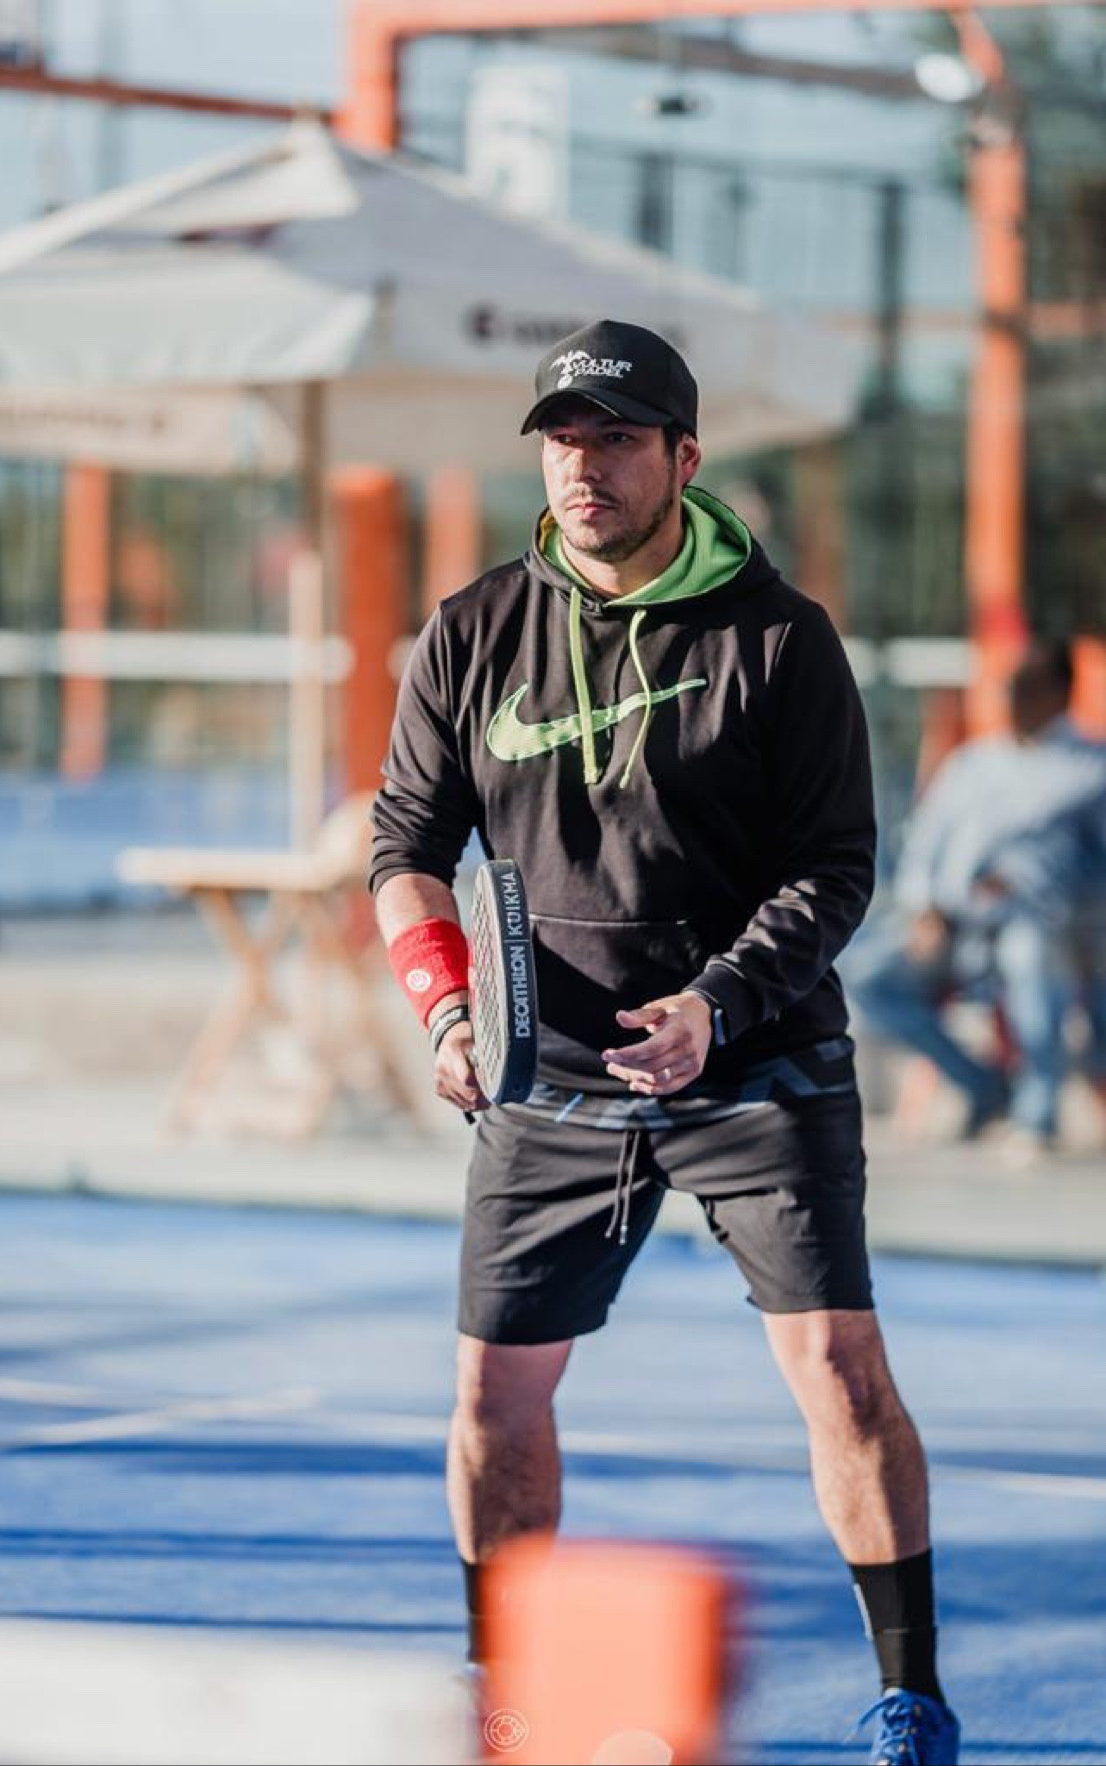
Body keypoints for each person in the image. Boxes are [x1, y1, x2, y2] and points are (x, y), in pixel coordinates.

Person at [370, 321, 960, 1764]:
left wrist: (718, 1002)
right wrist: (447, 1005)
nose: (586, 466)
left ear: (685, 458)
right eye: (565, 441)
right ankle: (502, 1684)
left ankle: (911, 1691)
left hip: (755, 1062)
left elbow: (835, 867)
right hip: (546, 1079)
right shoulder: (471, 630)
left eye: (620, 439)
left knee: (840, 1370)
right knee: (494, 1396)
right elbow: (405, 848)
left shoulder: (782, 638)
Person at [845, 641, 1106, 1157]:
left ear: (1059, 694)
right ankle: (983, 1086)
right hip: (953, 924)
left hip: (1044, 925)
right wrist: (925, 906)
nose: (1013, 700)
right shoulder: (974, 762)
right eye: (1010, 689)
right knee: (866, 976)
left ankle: (1038, 1115)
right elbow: (926, 840)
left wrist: (1027, 881)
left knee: (1029, 962)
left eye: (1026, 690)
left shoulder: (1091, 768)